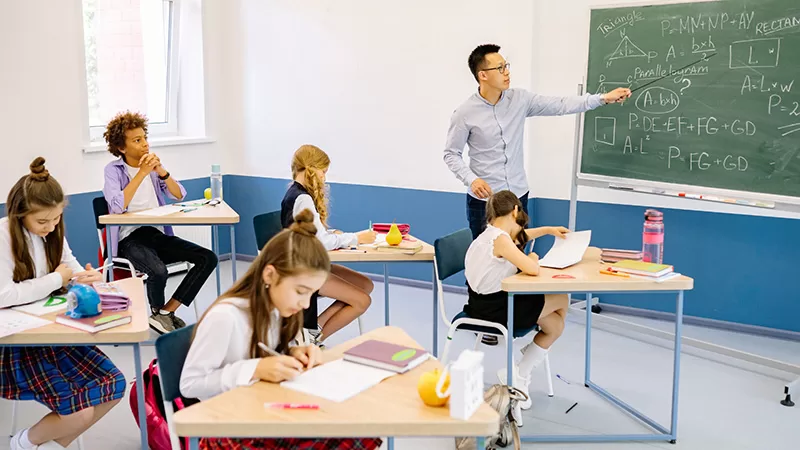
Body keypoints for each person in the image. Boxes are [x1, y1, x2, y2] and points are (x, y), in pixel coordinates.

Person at [180, 209, 382, 450]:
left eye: (311, 293)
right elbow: (190, 384)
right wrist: (255, 369)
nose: (306, 304)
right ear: (270, 274)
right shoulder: (226, 317)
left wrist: (295, 353)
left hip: (266, 410)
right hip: (227, 425)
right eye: (300, 291)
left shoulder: (281, 310)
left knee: (364, 431)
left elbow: (270, 351)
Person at [444, 43, 631, 239]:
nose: (506, 72)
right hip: (484, 203)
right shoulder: (465, 113)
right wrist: (472, 180)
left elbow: (560, 105)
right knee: (487, 262)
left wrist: (603, 98)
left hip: (517, 197)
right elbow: (451, 154)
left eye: (506, 66)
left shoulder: (520, 100)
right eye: (499, 68)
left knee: (519, 261)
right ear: (483, 75)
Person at [1, 157, 124, 450]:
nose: (50, 226)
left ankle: (37, 445)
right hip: (19, 342)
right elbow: (3, 295)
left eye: (56, 219)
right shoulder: (3, 235)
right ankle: (21, 444)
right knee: (79, 412)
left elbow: (69, 268)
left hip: (56, 330)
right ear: (20, 215)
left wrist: (87, 277)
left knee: (115, 384)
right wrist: (58, 280)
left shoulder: (54, 230)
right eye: (42, 221)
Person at [102, 111, 218, 334]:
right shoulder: (113, 171)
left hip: (155, 235)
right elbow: (117, 206)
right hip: (129, 239)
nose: (145, 144)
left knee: (208, 258)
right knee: (158, 271)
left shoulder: (154, 170)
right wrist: (141, 173)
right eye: (137, 140)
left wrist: (161, 172)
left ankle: (164, 313)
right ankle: (160, 313)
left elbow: (179, 194)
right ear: (122, 148)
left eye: (144, 137)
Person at [464, 190, 571, 409]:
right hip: (496, 311)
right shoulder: (501, 240)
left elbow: (521, 236)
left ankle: (520, 372)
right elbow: (532, 268)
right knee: (561, 297)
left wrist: (549, 231)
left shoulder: (488, 234)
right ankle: (522, 370)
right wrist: (532, 257)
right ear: (515, 211)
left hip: (479, 304)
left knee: (556, 325)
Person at [280, 145, 376, 343]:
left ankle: (313, 330)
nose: (324, 177)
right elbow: (321, 242)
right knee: (362, 300)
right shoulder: (303, 198)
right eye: (323, 172)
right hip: (304, 270)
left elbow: (312, 233)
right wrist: (356, 238)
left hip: (308, 262)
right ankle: (311, 340)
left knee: (365, 285)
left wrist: (332, 233)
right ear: (312, 169)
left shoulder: (295, 193)